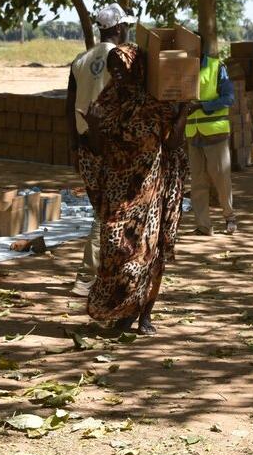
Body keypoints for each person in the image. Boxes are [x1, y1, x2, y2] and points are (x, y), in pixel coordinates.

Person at [77, 44, 197, 335]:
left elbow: (172, 146)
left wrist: (183, 116)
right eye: (112, 67)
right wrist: (93, 127)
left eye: (122, 67)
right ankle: (122, 309)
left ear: (137, 68)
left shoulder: (155, 104)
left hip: (150, 192)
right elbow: (94, 149)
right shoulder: (107, 101)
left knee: (148, 254)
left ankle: (141, 315)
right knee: (116, 250)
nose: (116, 73)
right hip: (117, 193)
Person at [66, 3, 135, 296]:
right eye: (127, 27)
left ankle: (104, 271)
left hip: (85, 147)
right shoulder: (120, 58)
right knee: (107, 213)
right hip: (110, 146)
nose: (129, 31)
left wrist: (75, 146)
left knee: (103, 209)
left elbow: (69, 106)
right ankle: (87, 278)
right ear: (118, 29)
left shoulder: (80, 61)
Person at [185, 47, 237, 236]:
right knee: (197, 183)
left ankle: (230, 218)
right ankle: (203, 226)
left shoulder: (217, 67)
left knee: (221, 179)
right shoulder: (183, 69)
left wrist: (201, 106)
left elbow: (229, 98)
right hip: (193, 133)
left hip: (215, 133)